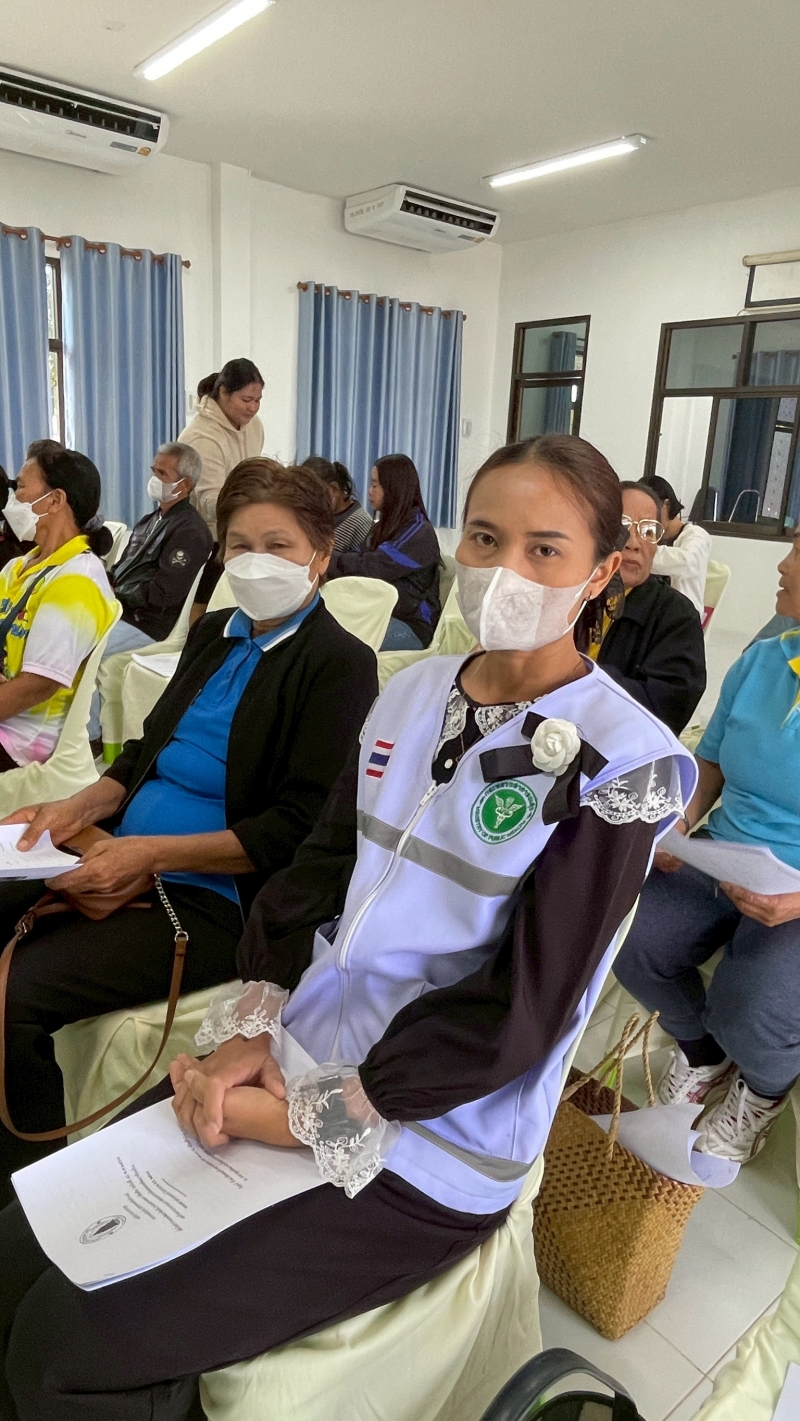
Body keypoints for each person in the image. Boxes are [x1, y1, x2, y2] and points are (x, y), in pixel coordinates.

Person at [0, 434, 696, 1418]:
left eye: (543, 549)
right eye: (485, 538)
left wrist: (309, 1113)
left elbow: (524, 1008)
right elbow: (317, 871)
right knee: (20, 1241)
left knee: (64, 1346)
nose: (505, 571)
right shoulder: (408, 693)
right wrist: (252, 1025)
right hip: (296, 1046)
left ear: (600, 570)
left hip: (430, 1133)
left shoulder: (621, 759)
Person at [0, 458, 378, 1201]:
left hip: (215, 900)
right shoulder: (213, 633)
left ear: (320, 555)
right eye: (240, 545)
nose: (256, 562)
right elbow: (143, 751)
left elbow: (296, 830)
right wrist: (76, 808)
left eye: (279, 545)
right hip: (119, 858)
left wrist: (148, 854)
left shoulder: (338, 663)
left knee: (14, 995)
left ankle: (26, 1197)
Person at [615, 526, 800, 1164]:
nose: (782, 565)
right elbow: (712, 761)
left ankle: (762, 1091)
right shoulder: (765, 660)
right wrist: (681, 818)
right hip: (728, 852)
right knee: (627, 929)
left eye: (798, 553)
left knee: (752, 1004)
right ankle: (703, 1053)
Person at [87, 442, 215, 744]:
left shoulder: (190, 531)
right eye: (153, 470)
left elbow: (165, 593)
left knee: (83, 646)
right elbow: (121, 569)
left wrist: (117, 593)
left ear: (185, 485)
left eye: (162, 473)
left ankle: (91, 737)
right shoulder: (149, 521)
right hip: (121, 611)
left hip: (148, 623)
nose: (154, 478)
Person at [0, 444, 117, 773]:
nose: (13, 497)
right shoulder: (18, 567)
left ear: (54, 500)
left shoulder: (76, 581)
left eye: (21, 486)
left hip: (22, 742)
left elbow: (38, 685)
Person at [593, 481, 707, 734]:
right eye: (622, 526)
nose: (633, 543)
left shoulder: (677, 617)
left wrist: (579, 675)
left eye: (648, 531)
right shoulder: (573, 595)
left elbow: (666, 710)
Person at [326, 453, 441, 651]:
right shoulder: (382, 526)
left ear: (393, 488)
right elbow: (357, 557)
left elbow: (372, 567)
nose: (369, 492)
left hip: (411, 625)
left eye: (375, 485)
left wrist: (327, 558)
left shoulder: (418, 531)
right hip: (377, 613)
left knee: (340, 645)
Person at [178, 359, 265, 538]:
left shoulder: (254, 425)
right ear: (224, 393)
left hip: (241, 529)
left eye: (258, 400)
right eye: (246, 400)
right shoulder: (202, 437)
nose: (253, 408)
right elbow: (211, 502)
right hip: (205, 537)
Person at [644, 473, 712, 616]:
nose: (647, 518)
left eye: (650, 511)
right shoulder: (648, 535)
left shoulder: (696, 535)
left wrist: (640, 552)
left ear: (666, 505)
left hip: (681, 618)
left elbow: (686, 562)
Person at [301, 456, 373, 552]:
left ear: (334, 489)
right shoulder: (319, 516)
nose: (312, 504)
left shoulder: (361, 524)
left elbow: (365, 560)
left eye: (315, 496)